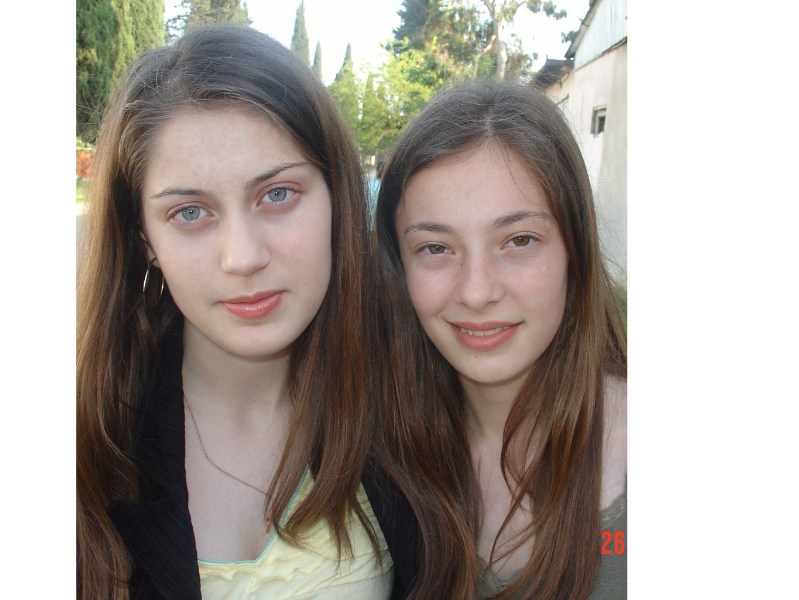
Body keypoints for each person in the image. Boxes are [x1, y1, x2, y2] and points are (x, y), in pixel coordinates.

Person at [77, 24, 403, 600]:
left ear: (337, 198)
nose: (243, 257)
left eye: (277, 194)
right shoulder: (81, 442)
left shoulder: (406, 399)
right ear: (144, 238)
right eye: (190, 212)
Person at [372, 80, 627, 599]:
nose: (476, 291)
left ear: (574, 251)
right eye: (436, 248)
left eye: (519, 240)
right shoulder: (378, 462)